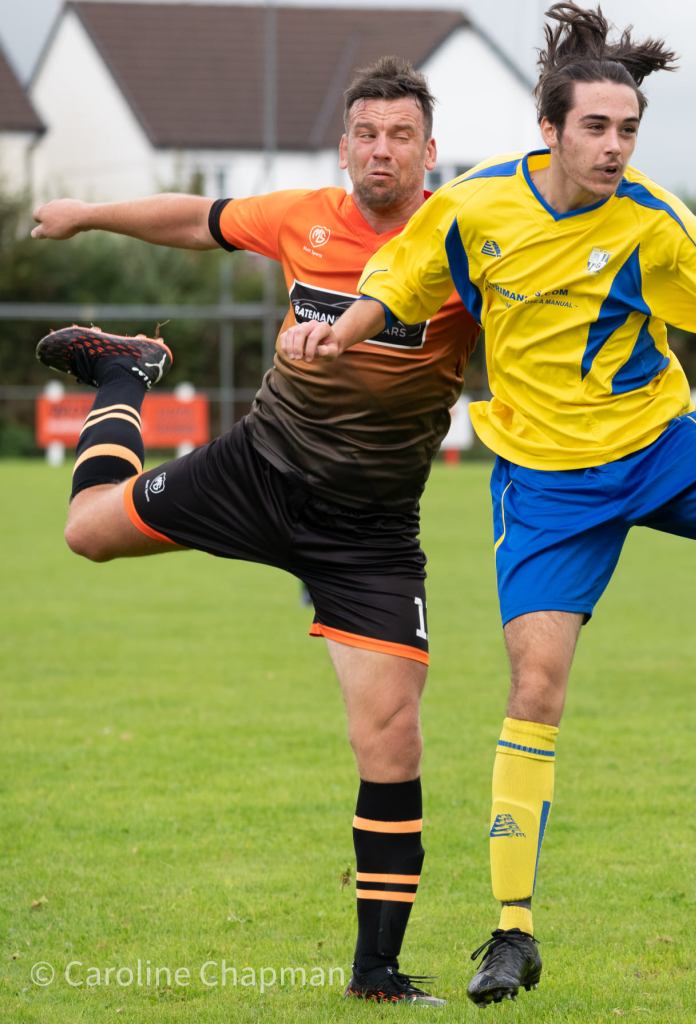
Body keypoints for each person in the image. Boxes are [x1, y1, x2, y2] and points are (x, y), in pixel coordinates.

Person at [277, 3, 696, 1004]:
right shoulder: (474, 209)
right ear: (549, 128)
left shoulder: (655, 221)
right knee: (536, 688)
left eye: (629, 129)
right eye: (597, 127)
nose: (614, 147)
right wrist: (336, 336)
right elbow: (398, 282)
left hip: (657, 445)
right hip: (547, 486)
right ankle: (512, 932)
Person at [30, 56, 478, 1006]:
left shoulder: (466, 247)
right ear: (345, 147)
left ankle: (377, 977)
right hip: (257, 471)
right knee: (87, 532)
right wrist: (87, 214)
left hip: (368, 533)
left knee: (392, 740)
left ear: (430, 151)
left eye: (401, 135)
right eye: (367, 134)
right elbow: (195, 219)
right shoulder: (301, 216)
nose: (382, 150)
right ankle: (125, 374)